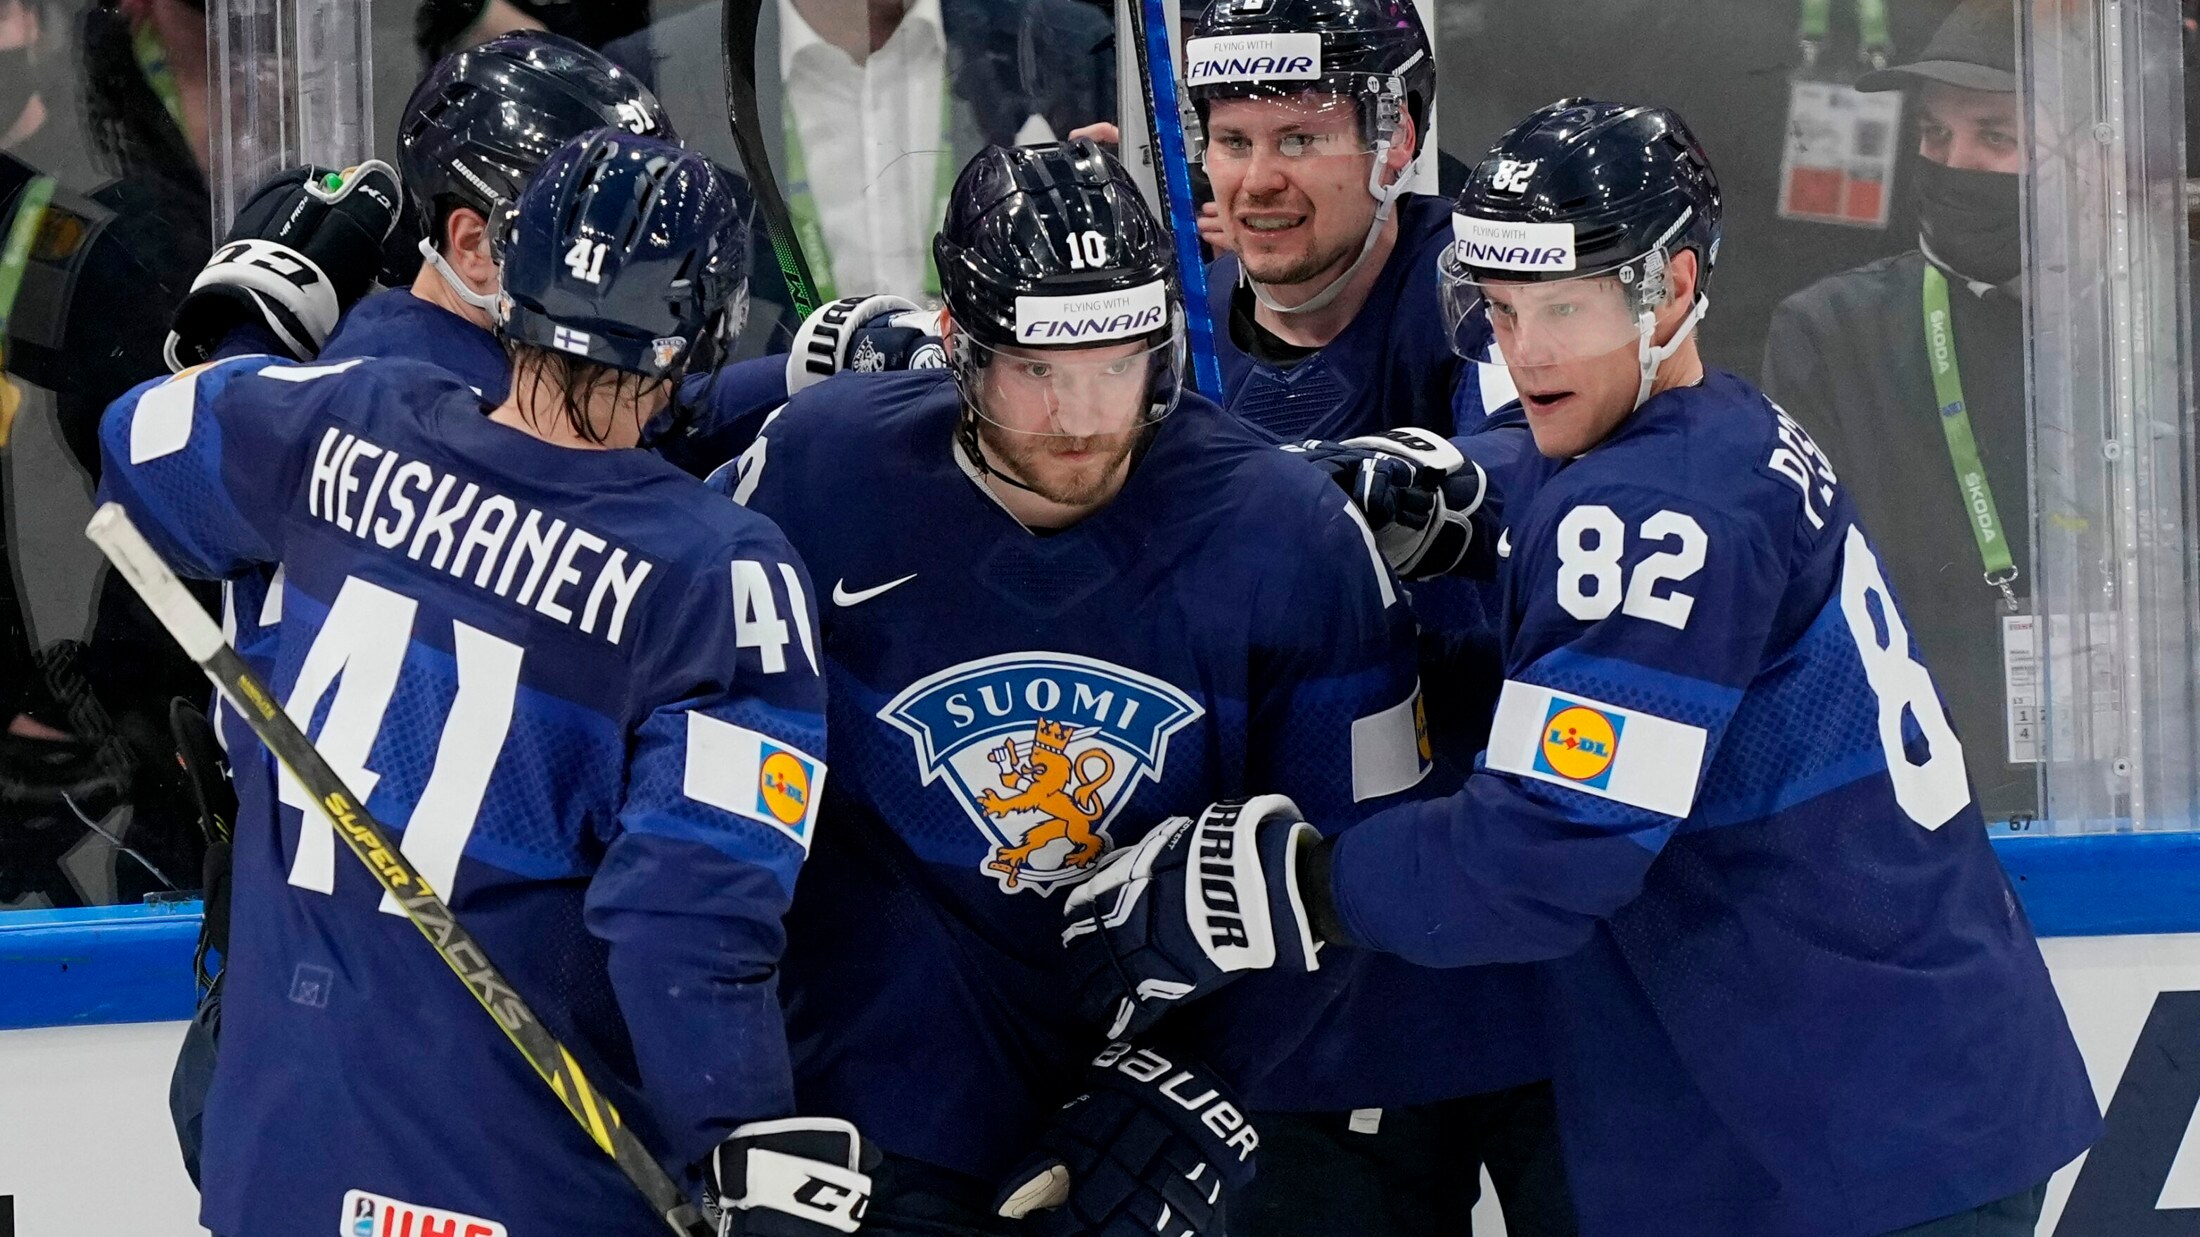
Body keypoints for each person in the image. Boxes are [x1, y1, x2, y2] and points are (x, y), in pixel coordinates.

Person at [1060, 98, 2101, 1237]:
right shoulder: (1724, 423)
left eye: (1567, 306)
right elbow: (1567, 484)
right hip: (1894, 1082)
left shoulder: (1657, 514)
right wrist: (1467, 498)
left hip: (1847, 1139)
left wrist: (1293, 887)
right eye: (1503, 310)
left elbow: (1542, 855)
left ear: (1675, 287)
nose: (1530, 350)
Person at [95, 132, 870, 1237]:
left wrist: (254, 321)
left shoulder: (338, 417)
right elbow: (684, 923)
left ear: (509, 273)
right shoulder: (718, 575)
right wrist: (739, 1147)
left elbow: (139, 447)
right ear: (701, 333)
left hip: (281, 1165)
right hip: (531, 1191)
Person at [719, 137, 1429, 1236]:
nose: (1083, 417)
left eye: (1115, 365)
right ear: (956, 344)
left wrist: (1202, 1083)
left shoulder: (1291, 537)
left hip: (1141, 1106)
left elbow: (1365, 863)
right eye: (1037, 372)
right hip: (867, 1099)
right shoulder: (817, 469)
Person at [1762, 0, 2037, 824]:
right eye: (1935, 135)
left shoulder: (2138, 332)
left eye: (1995, 137)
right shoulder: (1828, 332)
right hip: (1914, 782)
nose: (1954, 164)